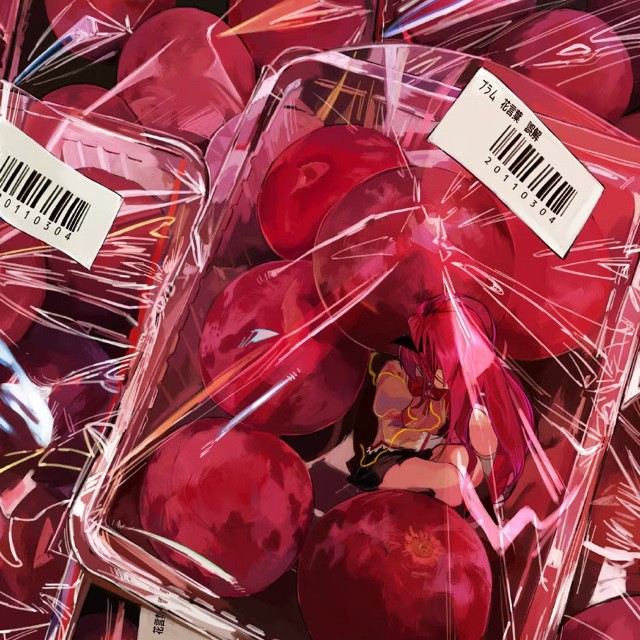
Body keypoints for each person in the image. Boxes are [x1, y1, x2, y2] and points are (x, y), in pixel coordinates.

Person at [348, 294, 533, 508]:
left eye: (438, 363)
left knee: (460, 460)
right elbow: (392, 429)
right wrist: (430, 438)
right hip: (386, 458)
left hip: (425, 455)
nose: (436, 373)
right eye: (431, 360)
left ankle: (446, 514)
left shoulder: (454, 391)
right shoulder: (396, 372)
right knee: (450, 478)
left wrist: (483, 455)